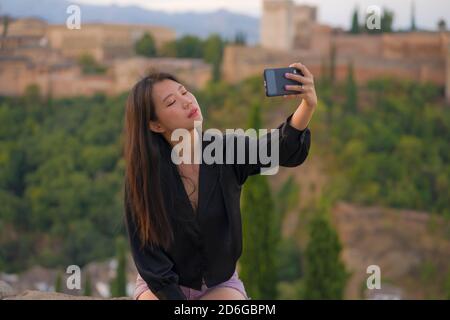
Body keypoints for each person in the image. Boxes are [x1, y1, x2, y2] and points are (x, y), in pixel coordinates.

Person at [123, 62, 317, 300]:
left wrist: (307, 105)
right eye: (171, 102)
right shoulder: (144, 176)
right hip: (161, 285)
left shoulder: (225, 150)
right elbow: (148, 256)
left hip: (218, 284)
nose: (187, 101)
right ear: (155, 124)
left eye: (184, 91)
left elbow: (280, 149)